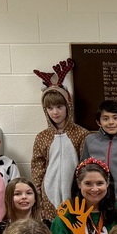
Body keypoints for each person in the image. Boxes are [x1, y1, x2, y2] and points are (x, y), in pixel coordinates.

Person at [31, 75, 89, 222]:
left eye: (59, 107)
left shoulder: (81, 134)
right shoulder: (42, 137)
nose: (55, 112)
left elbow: (86, 164)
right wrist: (39, 198)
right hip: (49, 195)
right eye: (50, 108)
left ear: (68, 107)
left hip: (75, 193)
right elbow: (37, 167)